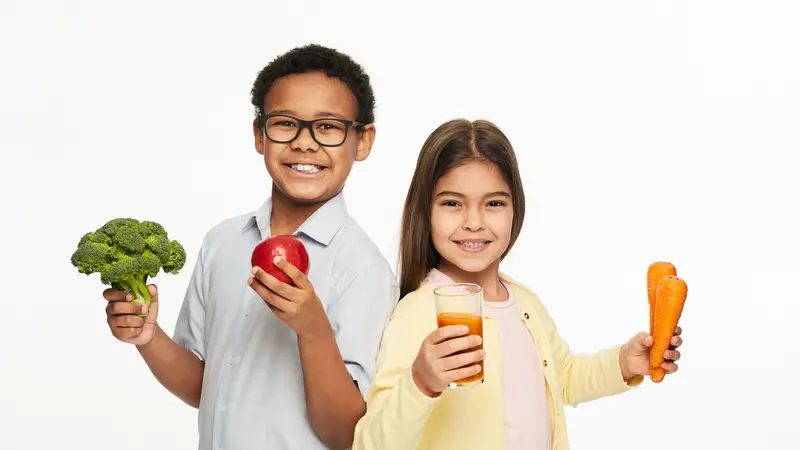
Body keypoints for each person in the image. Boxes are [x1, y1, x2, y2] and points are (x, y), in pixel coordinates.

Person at [102, 44, 399, 450]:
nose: (305, 143)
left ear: (362, 141)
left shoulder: (363, 269)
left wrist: (313, 331)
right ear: (260, 135)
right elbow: (203, 388)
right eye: (285, 124)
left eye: (328, 127)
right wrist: (148, 336)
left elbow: (348, 433)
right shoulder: (221, 243)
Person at [352, 118, 684, 450]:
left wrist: (624, 362)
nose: (473, 223)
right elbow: (372, 444)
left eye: (494, 203)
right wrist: (420, 382)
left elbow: (564, 377)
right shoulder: (418, 314)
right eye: (452, 203)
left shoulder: (525, 303)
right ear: (426, 211)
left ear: (516, 209)